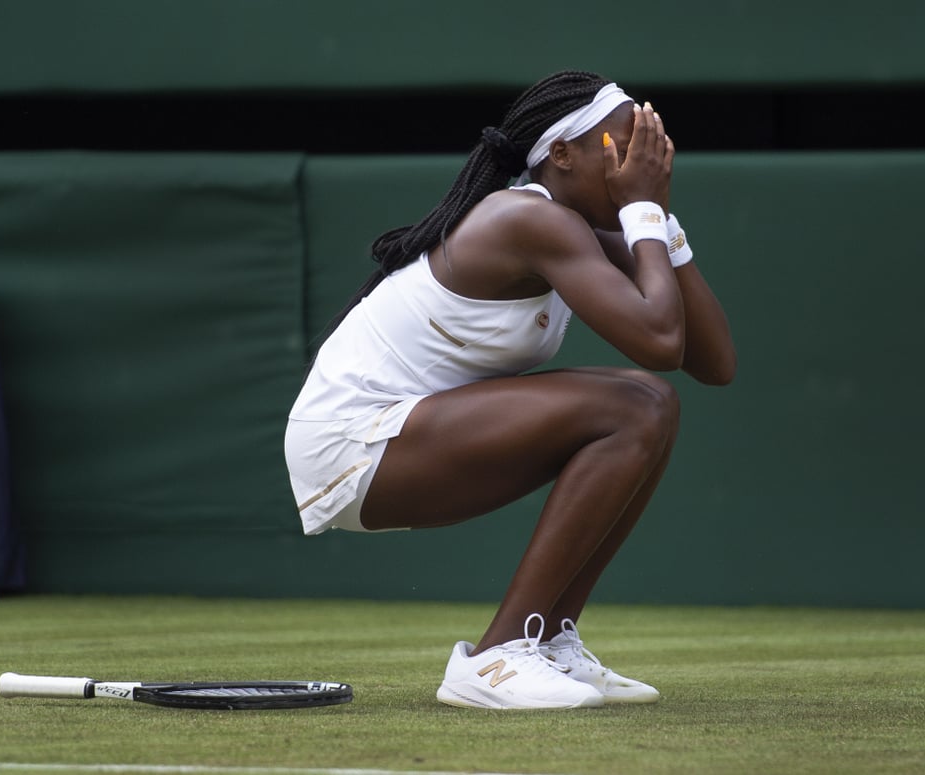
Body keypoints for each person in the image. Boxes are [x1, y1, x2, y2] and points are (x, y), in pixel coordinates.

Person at [285, 70, 736, 710]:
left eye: (648, 148)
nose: (641, 160)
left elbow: (713, 361)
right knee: (638, 404)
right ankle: (497, 657)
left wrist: (662, 223)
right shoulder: (526, 219)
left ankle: (548, 643)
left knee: (653, 411)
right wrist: (643, 211)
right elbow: (660, 345)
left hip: (401, 442)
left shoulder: (584, 229)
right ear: (561, 155)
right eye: (623, 145)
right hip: (352, 444)